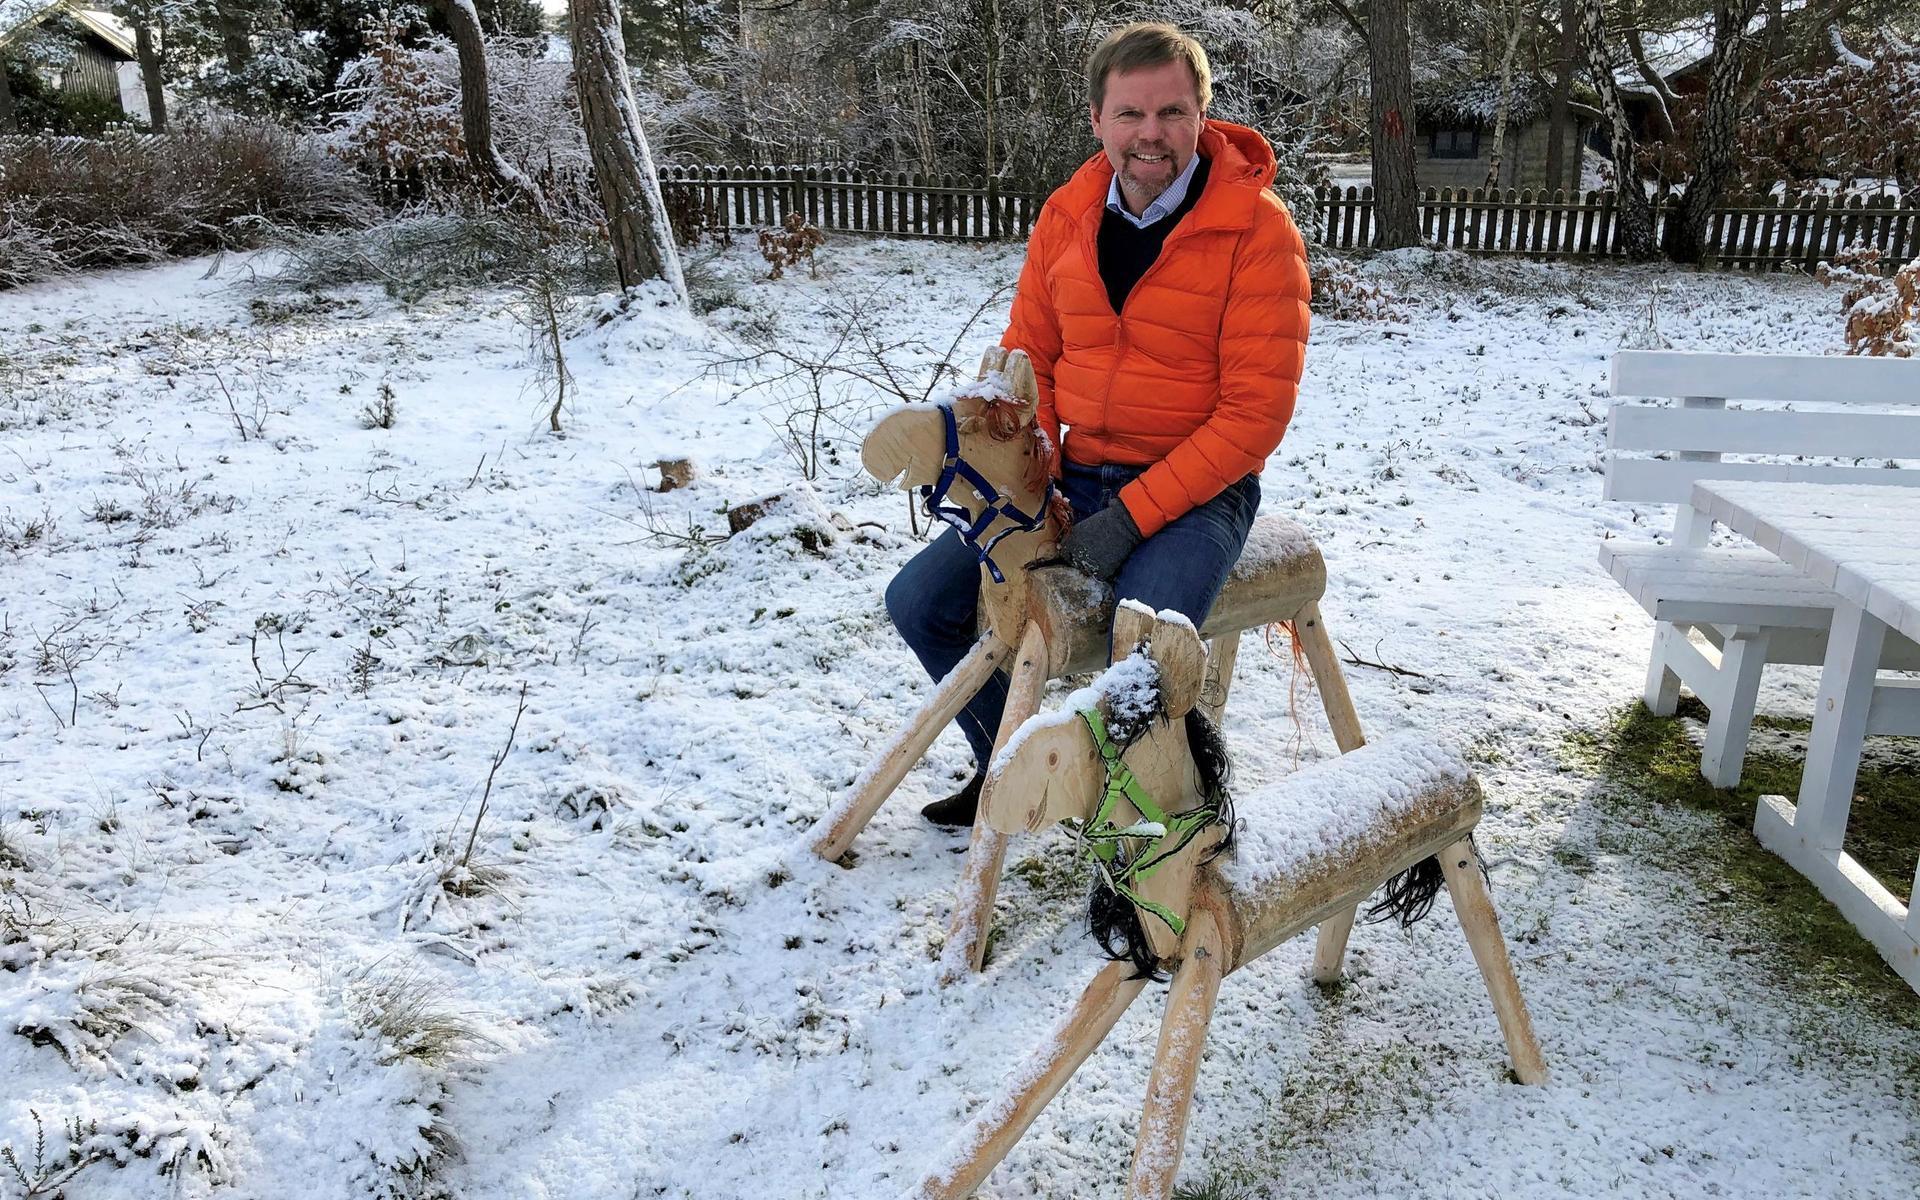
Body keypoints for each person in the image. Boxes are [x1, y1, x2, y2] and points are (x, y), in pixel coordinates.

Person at [886, 21, 1312, 826]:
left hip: (1199, 491)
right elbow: (1028, 361)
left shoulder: (1259, 233)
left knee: (1140, 661)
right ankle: (1011, 770)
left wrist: (1133, 518)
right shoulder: (1068, 214)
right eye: (1130, 115)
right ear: (1097, 121)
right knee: (919, 600)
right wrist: (998, 456)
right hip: (1075, 474)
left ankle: (1154, 853)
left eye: (1172, 113)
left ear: (1202, 115)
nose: (1151, 135)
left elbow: (1253, 418)